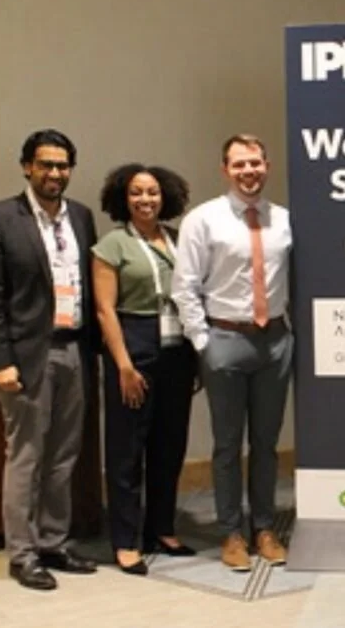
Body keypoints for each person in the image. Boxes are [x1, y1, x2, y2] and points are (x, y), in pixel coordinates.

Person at [0, 129, 99, 590]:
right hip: (27, 356)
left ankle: (53, 542)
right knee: (26, 457)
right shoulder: (0, 218)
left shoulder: (81, 217)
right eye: (45, 164)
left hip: (74, 349)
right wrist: (0, 360)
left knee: (64, 456)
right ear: (27, 166)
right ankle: (22, 554)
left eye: (63, 165)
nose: (54, 173)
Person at [171, 134, 293, 572]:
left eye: (255, 163)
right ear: (225, 169)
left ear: (267, 165)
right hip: (224, 340)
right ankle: (231, 533)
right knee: (226, 446)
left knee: (266, 443)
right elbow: (184, 287)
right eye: (239, 164)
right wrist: (204, 343)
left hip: (275, 342)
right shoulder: (203, 220)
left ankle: (264, 527)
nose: (249, 171)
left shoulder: (284, 221)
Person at [92, 164, 198, 576]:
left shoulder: (176, 240)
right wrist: (123, 364)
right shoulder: (112, 244)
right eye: (136, 193)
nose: (145, 200)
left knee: (169, 445)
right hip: (133, 345)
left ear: (166, 196)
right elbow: (104, 309)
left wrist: (197, 359)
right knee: (126, 449)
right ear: (123, 198)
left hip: (176, 349)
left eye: (152, 192)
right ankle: (125, 540)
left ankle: (162, 528)